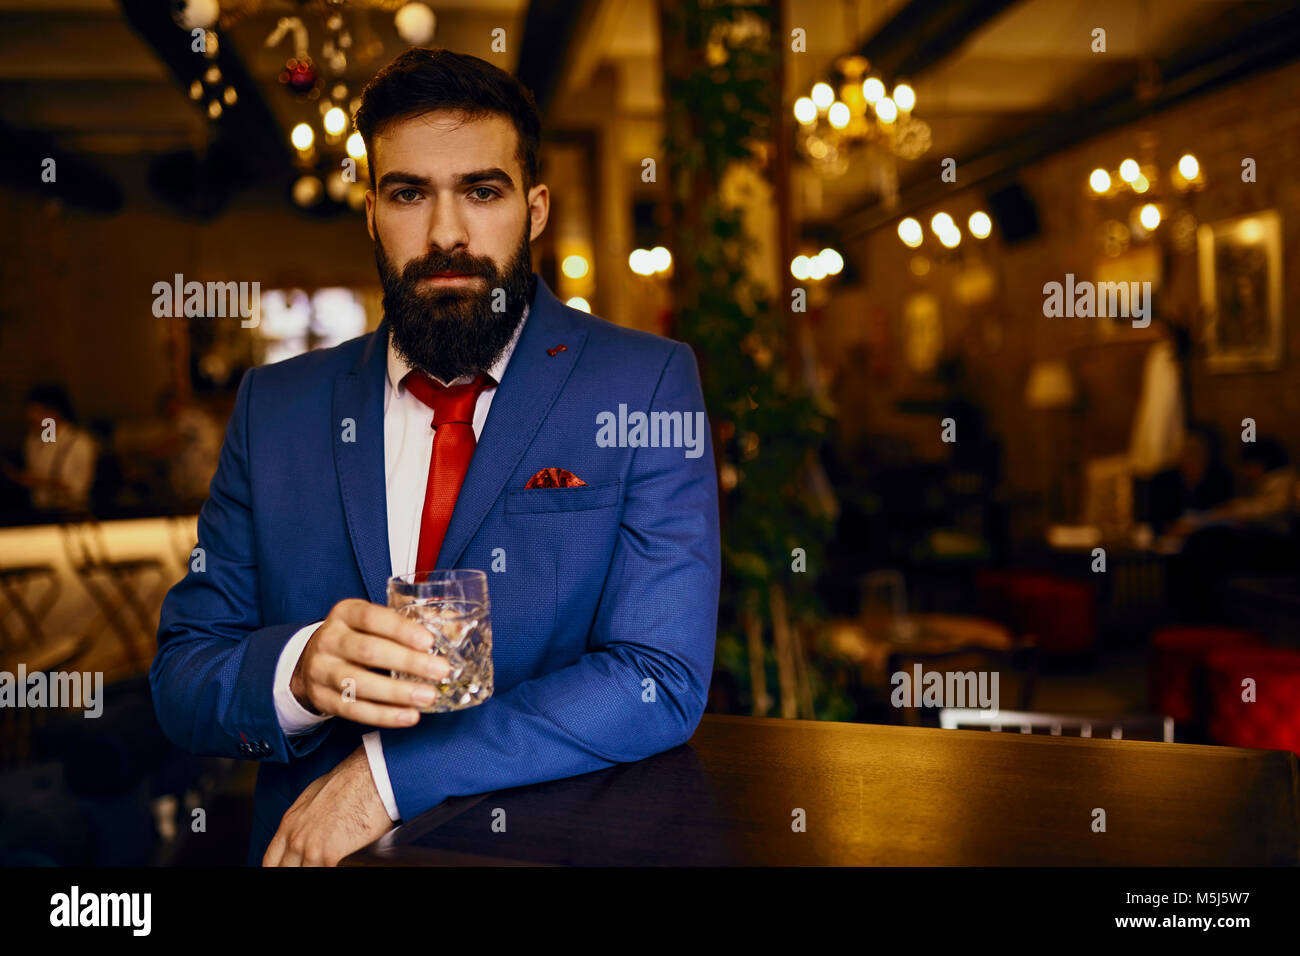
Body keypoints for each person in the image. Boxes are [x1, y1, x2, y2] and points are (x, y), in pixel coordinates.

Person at [150, 48, 720, 867]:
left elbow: (658, 679)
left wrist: (384, 778)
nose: (446, 233)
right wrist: (299, 674)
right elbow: (183, 676)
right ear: (372, 213)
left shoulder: (647, 383)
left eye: (481, 191)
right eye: (408, 193)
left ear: (535, 209)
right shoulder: (274, 410)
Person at [3, 384, 98, 516]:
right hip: (38, 512)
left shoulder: (80, 443)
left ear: (53, 412)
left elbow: (79, 489)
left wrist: (38, 481)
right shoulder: (34, 441)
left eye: (36, 412)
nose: (30, 417)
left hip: (71, 514)